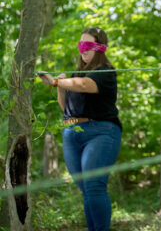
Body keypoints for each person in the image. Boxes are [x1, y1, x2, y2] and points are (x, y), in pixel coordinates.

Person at [38, 27, 121, 231]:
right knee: (86, 189)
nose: (82, 49)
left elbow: (85, 85)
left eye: (88, 45)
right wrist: (61, 86)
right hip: (72, 133)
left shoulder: (105, 73)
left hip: (100, 132)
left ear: (100, 48)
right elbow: (66, 108)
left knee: (94, 186)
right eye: (80, 45)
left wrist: (58, 80)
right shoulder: (76, 75)